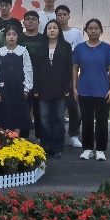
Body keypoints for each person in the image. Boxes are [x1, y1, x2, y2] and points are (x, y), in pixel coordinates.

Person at [73, 18, 110, 161]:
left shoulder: (107, 48)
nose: (93, 31)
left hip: (103, 91)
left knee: (102, 121)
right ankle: (87, 149)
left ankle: (100, 150)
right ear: (86, 31)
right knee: (86, 121)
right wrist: (74, 87)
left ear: (101, 31)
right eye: (90, 28)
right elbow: (75, 68)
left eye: (96, 28)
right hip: (84, 91)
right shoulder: (79, 48)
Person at [32, 20, 73, 158]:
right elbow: (36, 70)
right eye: (49, 28)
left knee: (59, 119)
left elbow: (68, 69)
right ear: (46, 31)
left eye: (55, 28)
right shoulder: (40, 47)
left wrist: (67, 87)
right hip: (43, 89)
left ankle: (57, 148)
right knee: (44, 119)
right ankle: (46, 146)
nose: (52, 30)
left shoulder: (66, 47)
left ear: (59, 31)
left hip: (60, 89)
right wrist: (36, 88)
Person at [0, 26, 34, 137]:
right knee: (4, 114)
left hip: (19, 88)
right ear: (5, 37)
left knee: (18, 115)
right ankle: (5, 140)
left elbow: (28, 70)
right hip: (4, 88)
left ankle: (16, 140)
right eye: (8, 34)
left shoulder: (23, 51)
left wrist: (26, 88)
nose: (11, 37)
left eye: (14, 34)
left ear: (17, 36)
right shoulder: (0, 52)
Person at [55, 4, 85, 148]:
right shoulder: (52, 32)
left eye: (64, 15)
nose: (62, 17)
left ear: (68, 16)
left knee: (73, 107)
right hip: (55, 77)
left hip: (72, 75)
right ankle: (57, 136)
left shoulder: (76, 33)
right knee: (57, 108)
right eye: (59, 15)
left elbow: (82, 52)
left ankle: (74, 135)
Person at [20, 10, 48, 142]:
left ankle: (40, 136)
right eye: (28, 19)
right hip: (22, 79)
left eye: (33, 19)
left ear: (38, 22)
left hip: (40, 79)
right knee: (23, 109)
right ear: (24, 22)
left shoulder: (44, 39)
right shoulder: (19, 38)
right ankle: (23, 136)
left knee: (39, 110)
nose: (30, 21)